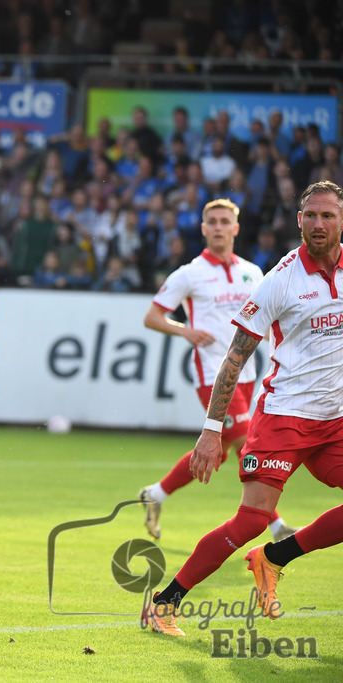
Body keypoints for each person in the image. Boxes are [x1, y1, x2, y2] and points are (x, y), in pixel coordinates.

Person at [145, 181, 343, 637]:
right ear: (299, 220)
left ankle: (275, 557)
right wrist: (210, 429)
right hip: (284, 418)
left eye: (328, 216)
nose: (318, 224)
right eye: (311, 216)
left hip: (333, 421)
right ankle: (164, 603)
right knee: (252, 520)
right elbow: (234, 357)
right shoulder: (279, 280)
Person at [137, 198, 296, 542]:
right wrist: (186, 331)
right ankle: (277, 526)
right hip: (211, 374)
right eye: (213, 222)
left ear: (236, 228)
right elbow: (152, 317)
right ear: (204, 229)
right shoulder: (189, 273)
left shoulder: (252, 272)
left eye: (225, 221)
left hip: (248, 374)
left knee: (219, 453)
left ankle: (155, 494)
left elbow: (267, 317)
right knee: (247, 444)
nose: (219, 227)